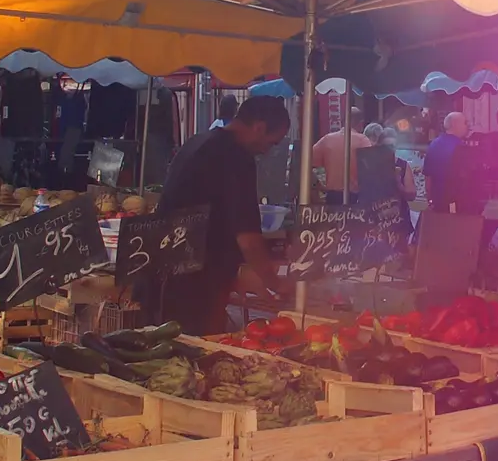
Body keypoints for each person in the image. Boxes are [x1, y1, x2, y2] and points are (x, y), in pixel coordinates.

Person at [155, 97, 292, 334]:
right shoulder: (236, 157)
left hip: (166, 275)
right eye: (271, 143)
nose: (266, 151)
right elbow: (248, 238)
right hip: (196, 286)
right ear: (258, 127)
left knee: (170, 353)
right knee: (197, 357)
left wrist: (236, 276)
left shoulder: (197, 141)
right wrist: (275, 283)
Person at [311, 108, 372, 205]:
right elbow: (371, 170)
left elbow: (306, 163)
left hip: (332, 197)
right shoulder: (363, 140)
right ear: (361, 124)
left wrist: (317, 184)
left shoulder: (327, 139)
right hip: (354, 197)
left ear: (342, 122)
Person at [423, 111, 468, 205]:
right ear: (455, 124)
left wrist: (430, 198)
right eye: (465, 123)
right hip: (457, 201)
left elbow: (427, 175)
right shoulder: (461, 147)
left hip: (437, 199)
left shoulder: (433, 144)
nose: (467, 126)